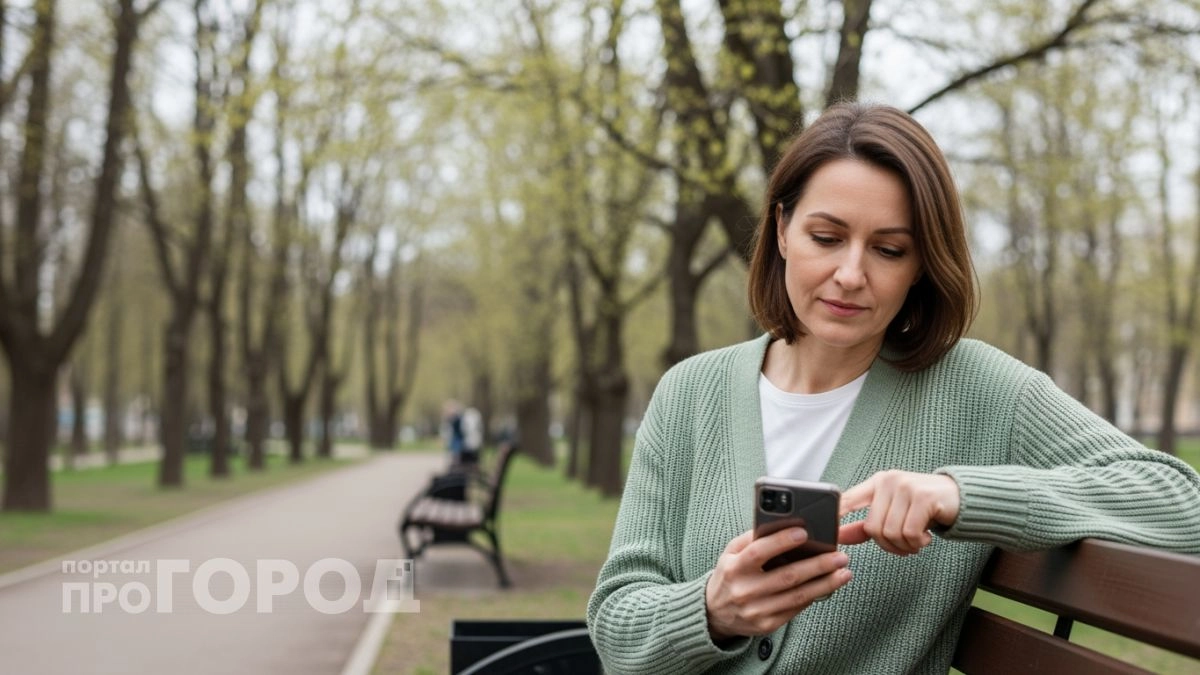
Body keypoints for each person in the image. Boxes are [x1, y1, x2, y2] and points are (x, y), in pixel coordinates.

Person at [586, 102, 1200, 674]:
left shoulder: (978, 389)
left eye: (888, 249)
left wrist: (959, 492)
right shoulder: (690, 393)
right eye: (825, 238)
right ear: (781, 230)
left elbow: (1180, 499)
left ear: (921, 264)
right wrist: (713, 609)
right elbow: (617, 625)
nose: (851, 275)